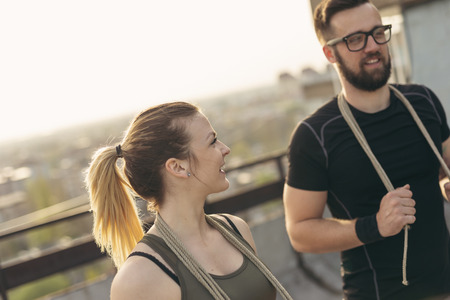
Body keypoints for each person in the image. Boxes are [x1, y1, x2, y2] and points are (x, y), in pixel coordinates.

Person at [283, 0, 450, 299]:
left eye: (377, 33)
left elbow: (445, 168)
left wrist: (445, 183)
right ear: (330, 53)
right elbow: (300, 233)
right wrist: (374, 226)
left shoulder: (423, 101)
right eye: (355, 39)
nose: (372, 46)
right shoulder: (314, 135)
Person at [85, 101, 292, 300]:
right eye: (212, 142)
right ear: (177, 167)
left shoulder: (236, 230)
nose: (225, 148)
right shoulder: (138, 278)